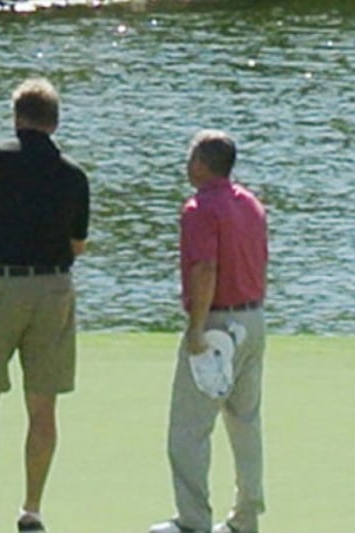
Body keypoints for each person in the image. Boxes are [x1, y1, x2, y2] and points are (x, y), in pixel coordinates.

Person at [0, 78, 90, 533]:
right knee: (42, 406)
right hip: (52, 290)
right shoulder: (73, 173)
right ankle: (31, 511)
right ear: (54, 121)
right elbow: (78, 244)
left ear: (16, 117)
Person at [149, 130, 268, 533]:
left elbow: (204, 269)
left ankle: (193, 521)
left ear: (201, 162)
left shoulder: (200, 208)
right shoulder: (251, 204)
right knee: (245, 422)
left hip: (217, 325)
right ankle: (245, 518)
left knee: (189, 429)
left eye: (190, 157)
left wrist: (196, 329)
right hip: (253, 320)